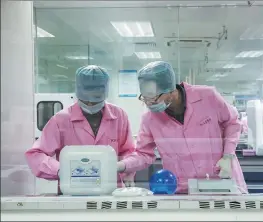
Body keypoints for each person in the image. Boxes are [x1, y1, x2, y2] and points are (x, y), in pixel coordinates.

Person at [117, 61, 248, 194]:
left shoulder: (208, 96)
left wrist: (227, 156)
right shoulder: (149, 119)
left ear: (171, 90)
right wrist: (123, 165)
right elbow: (143, 154)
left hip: (222, 182)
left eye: (154, 99)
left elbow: (232, 122)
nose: (149, 104)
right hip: (184, 190)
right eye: (145, 98)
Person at [25, 65, 135, 194]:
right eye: (85, 100)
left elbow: (129, 151)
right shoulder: (61, 120)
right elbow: (36, 154)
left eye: (95, 101)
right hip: (73, 193)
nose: (90, 104)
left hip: (111, 192)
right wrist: (61, 170)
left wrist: (126, 168)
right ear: (77, 93)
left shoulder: (119, 116)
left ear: (105, 93)